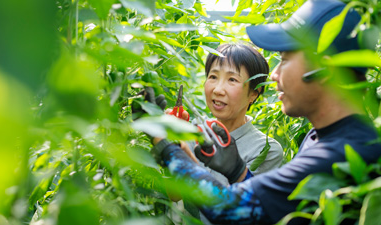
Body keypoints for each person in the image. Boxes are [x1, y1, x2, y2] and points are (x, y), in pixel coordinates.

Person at [145, 0, 381, 224]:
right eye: (213, 77)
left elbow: (231, 210)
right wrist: (238, 172)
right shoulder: (321, 138)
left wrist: (167, 147)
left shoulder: (342, 153)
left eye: (285, 59)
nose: (275, 75)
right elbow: (276, 213)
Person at [166, 43, 283, 224]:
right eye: (213, 76)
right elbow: (175, 197)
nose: (218, 89)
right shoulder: (190, 132)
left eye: (232, 80)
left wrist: (185, 159)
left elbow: (240, 214)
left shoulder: (265, 150)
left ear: (253, 93)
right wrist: (172, 146)